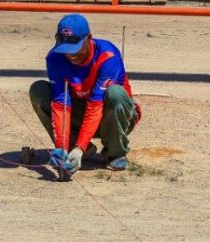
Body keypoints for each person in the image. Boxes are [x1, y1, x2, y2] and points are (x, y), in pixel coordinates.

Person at [29, 14, 141, 177]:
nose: (71, 55)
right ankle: (72, 149)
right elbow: (61, 104)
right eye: (66, 50)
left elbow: (95, 106)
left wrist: (78, 148)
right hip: (81, 113)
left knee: (115, 94)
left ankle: (115, 152)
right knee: (38, 90)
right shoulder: (55, 58)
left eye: (75, 48)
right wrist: (62, 146)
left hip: (113, 114)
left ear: (89, 38)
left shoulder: (107, 56)